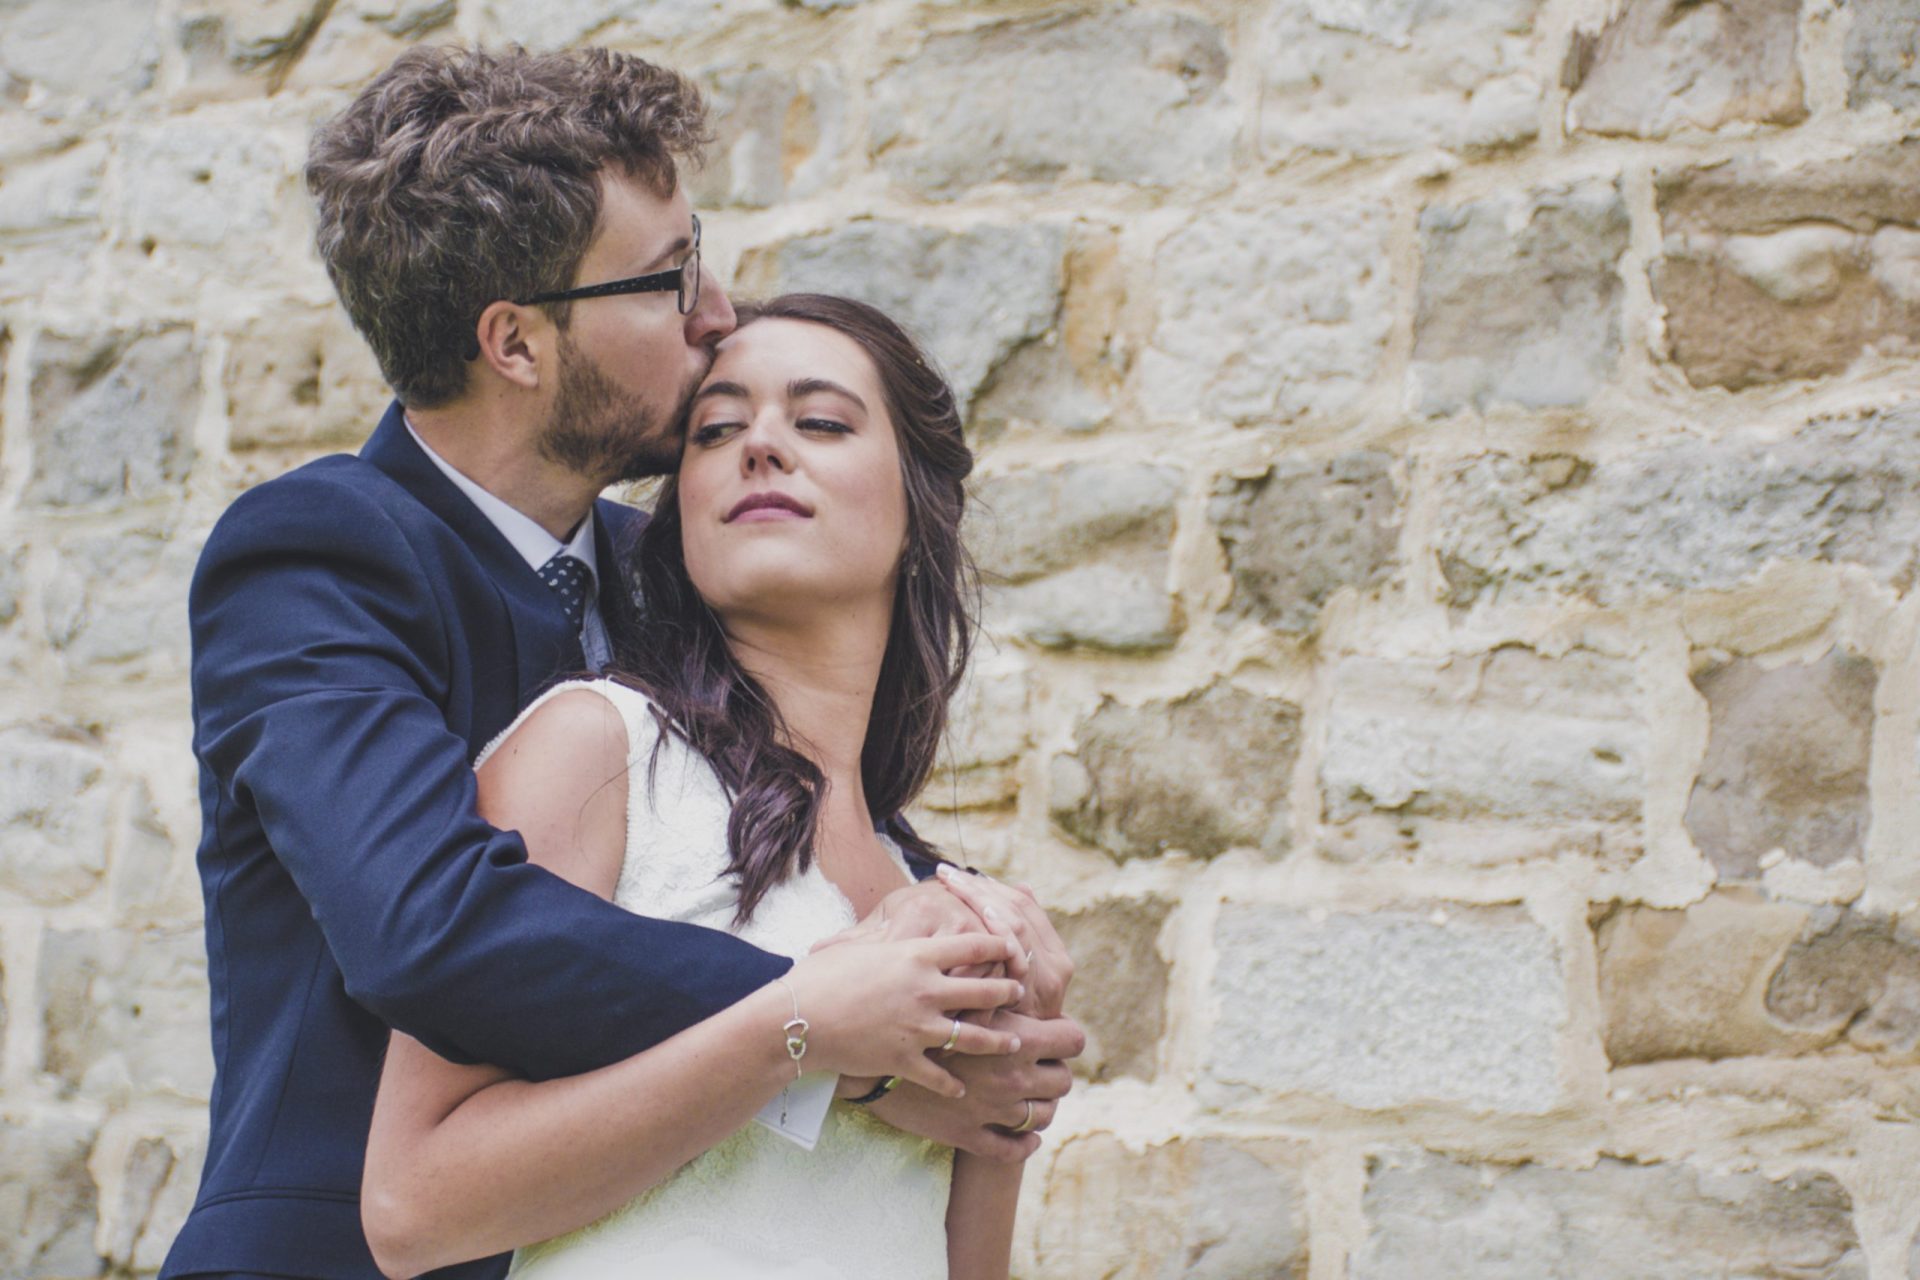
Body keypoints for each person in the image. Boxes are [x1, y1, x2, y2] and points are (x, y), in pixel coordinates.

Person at [166, 46, 1079, 1280]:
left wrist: (957, 928)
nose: (718, 315)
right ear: (516, 343)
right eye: (670, 277)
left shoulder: (680, 565)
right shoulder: (318, 555)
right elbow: (434, 923)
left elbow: (787, 805)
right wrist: (837, 1027)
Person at [361, 294, 1038, 1279]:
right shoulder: (598, 751)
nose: (759, 445)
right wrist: (799, 1029)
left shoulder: (929, 887)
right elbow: (410, 1207)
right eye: (715, 430)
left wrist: (1015, 1050)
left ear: (918, 505)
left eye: (820, 421)